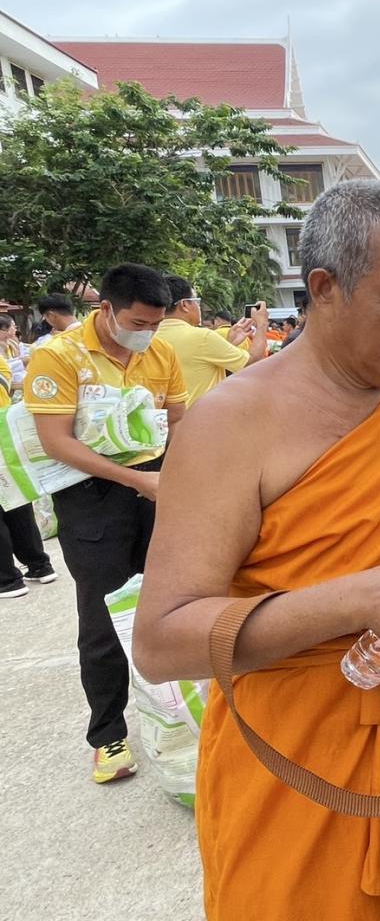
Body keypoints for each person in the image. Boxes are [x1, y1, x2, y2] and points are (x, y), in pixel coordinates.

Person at [134, 180, 380, 920]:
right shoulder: (233, 425)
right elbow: (162, 640)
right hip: (300, 771)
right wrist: (360, 599)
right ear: (324, 288)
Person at [25, 263, 188, 784]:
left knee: (169, 606)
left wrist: (173, 478)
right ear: (107, 311)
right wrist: (135, 480)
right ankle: (108, 736)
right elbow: (57, 442)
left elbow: (180, 424)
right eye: (138, 322)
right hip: (91, 498)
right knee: (102, 619)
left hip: (157, 489)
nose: (146, 334)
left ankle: (177, 720)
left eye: (155, 324)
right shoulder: (59, 356)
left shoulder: (161, 353)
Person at [155, 278, 268, 406]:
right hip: (200, 418)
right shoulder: (202, 337)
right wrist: (262, 323)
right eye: (196, 301)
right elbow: (251, 362)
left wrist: (230, 344)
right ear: (184, 305)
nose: (199, 307)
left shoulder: (152, 336)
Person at [0, 351, 57, 597]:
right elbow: (7, 381)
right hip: (4, 433)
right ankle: (39, 565)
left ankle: (7, 580)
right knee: (15, 501)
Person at [0, 316, 30, 392]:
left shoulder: (11, 343)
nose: (15, 329)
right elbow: (4, 369)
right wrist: (22, 362)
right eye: (13, 326)